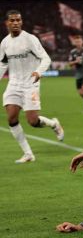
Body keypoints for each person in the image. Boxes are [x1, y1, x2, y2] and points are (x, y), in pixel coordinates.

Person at [0, 10, 64, 163]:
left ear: (21, 22)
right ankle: (28, 154)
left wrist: (38, 72)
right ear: (6, 23)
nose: (15, 23)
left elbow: (46, 59)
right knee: (11, 117)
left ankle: (53, 124)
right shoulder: (4, 43)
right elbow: (3, 63)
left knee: (33, 121)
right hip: (14, 84)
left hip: (30, 84)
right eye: (12, 20)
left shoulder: (30, 39)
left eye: (18, 20)